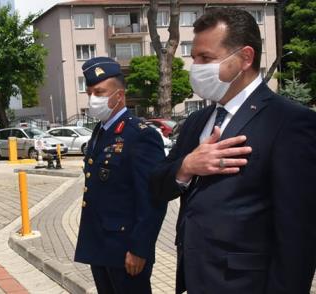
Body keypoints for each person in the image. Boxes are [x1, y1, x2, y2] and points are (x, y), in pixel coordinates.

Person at [149, 8, 316, 294]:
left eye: (206, 58)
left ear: (245, 57)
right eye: (194, 58)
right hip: (195, 279)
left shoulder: (289, 122)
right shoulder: (196, 122)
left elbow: (298, 236)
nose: (195, 68)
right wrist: (186, 167)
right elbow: (157, 187)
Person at [73, 56, 167, 294]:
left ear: (119, 95)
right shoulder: (100, 131)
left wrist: (140, 249)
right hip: (100, 245)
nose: (93, 98)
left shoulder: (140, 135)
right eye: (90, 93)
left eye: (100, 92)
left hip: (126, 250)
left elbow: (153, 199)